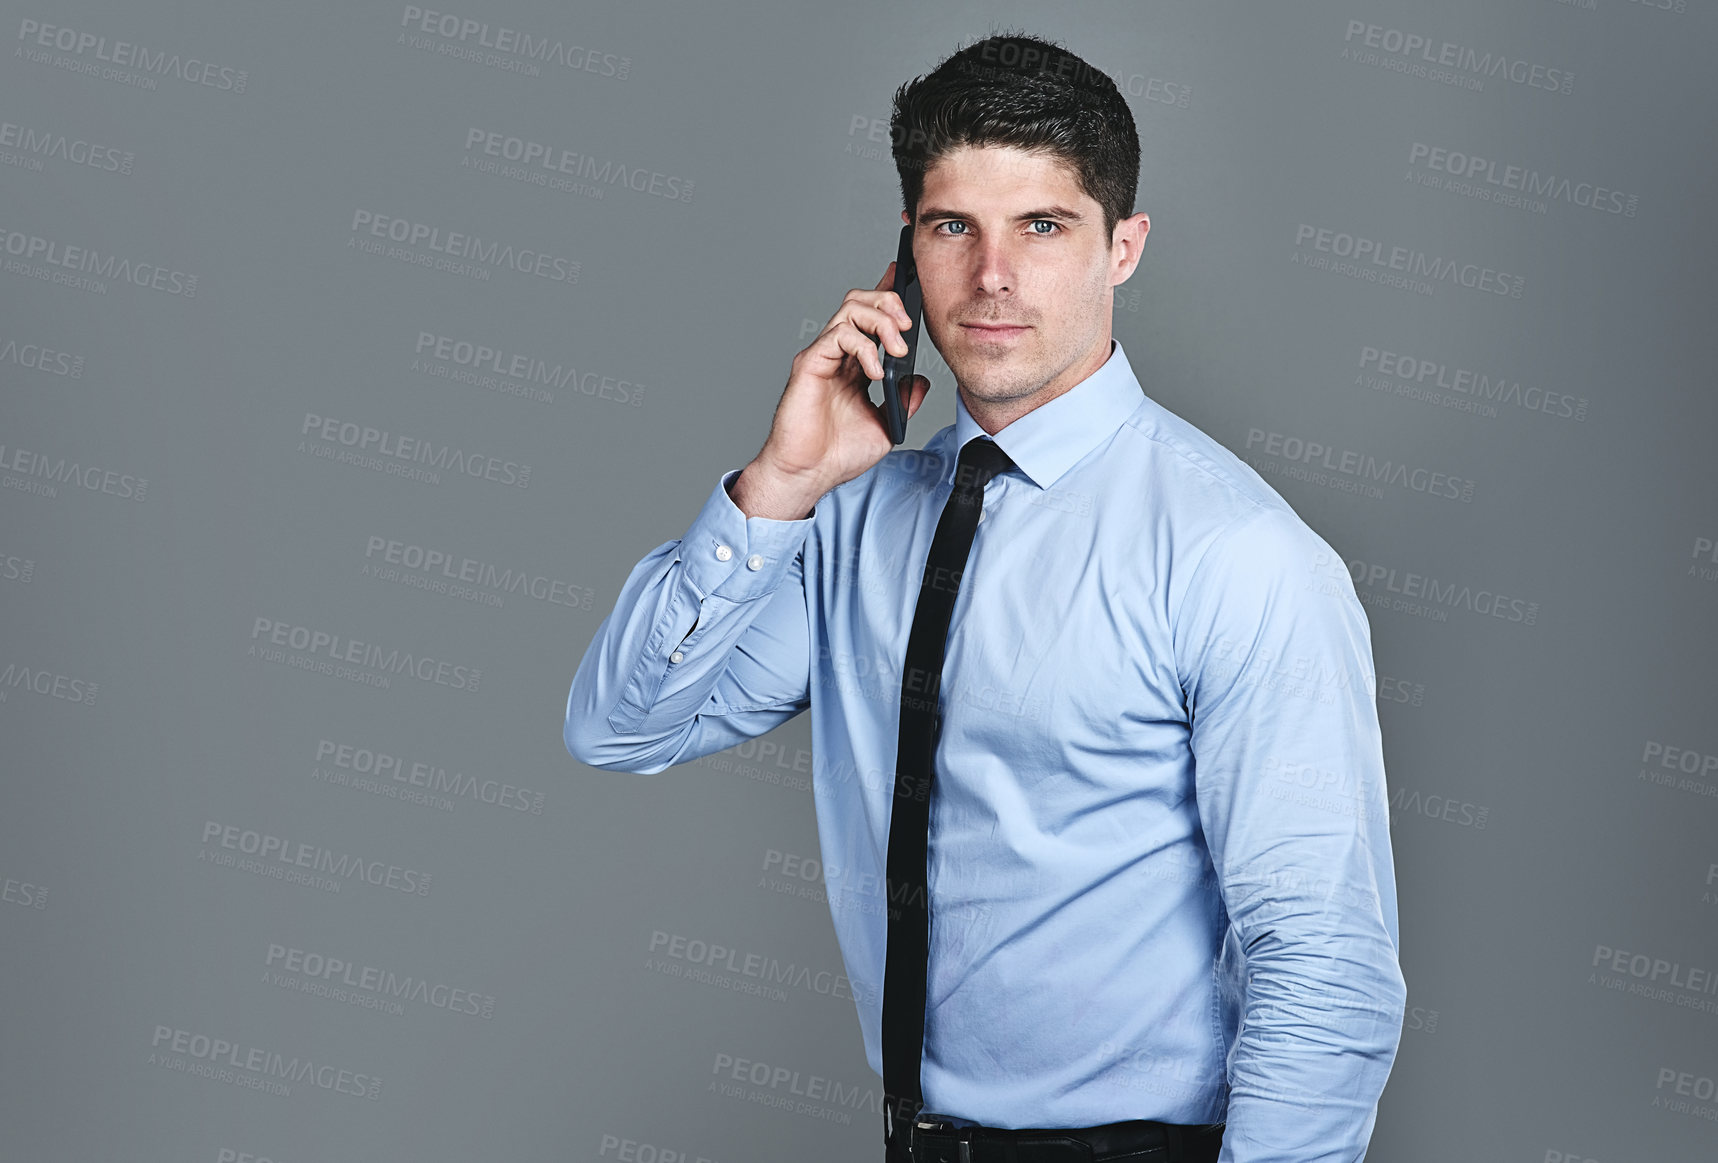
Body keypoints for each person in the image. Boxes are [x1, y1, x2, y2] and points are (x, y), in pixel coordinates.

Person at [565, 31, 1406, 1163]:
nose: (992, 276)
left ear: (1123, 247)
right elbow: (622, 726)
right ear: (902, 254)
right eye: (951, 226)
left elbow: (1323, 959)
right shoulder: (854, 517)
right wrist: (776, 487)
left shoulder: (1235, 553)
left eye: (1042, 227)